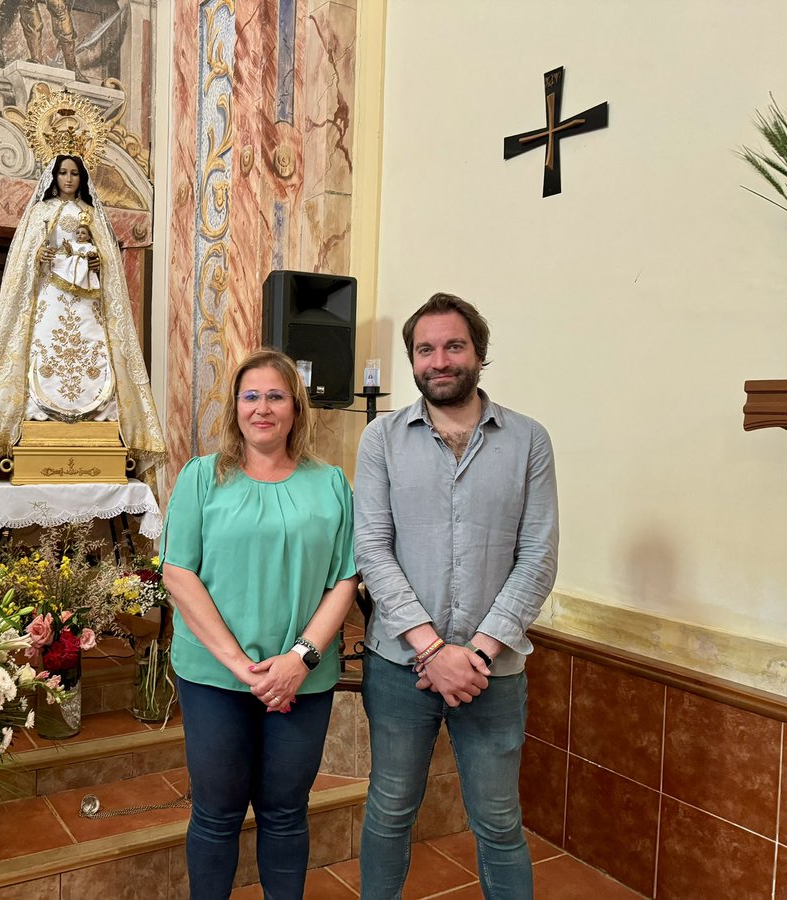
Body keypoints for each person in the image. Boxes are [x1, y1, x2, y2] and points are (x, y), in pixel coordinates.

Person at [353, 293, 559, 900]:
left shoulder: (529, 440)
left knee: (498, 822)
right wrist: (431, 649)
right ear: (412, 361)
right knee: (390, 810)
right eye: (425, 349)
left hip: (493, 670)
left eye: (453, 346)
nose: (439, 360)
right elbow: (372, 549)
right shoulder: (381, 439)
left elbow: (538, 555)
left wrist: (478, 652)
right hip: (399, 664)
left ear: (478, 353)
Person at [161, 348, 359, 899]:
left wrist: (299, 659)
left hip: (303, 678)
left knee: (286, 813)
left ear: (296, 407)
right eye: (251, 396)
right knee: (217, 815)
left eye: (276, 396)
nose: (263, 408)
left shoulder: (332, 485)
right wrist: (243, 668)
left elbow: (344, 578)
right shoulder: (203, 478)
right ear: (235, 408)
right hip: (216, 680)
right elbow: (178, 573)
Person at [0, 153, 165, 511]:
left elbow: (109, 263)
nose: (69, 179)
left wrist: (99, 260)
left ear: (82, 178)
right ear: (54, 177)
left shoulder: (93, 214)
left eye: (74, 173)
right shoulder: (40, 212)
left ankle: (97, 419)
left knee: (93, 352)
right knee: (46, 349)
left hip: (88, 299)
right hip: (52, 296)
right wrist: (37, 259)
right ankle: (42, 417)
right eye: (63, 172)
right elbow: (26, 259)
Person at [51, 214, 100, 293]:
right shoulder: (73, 243)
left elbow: (94, 252)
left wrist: (92, 254)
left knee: (83, 279)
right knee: (64, 273)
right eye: (77, 233)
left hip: (84, 265)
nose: (79, 234)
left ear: (89, 237)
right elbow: (70, 253)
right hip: (71, 264)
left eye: (83, 233)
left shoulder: (89, 245)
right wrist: (67, 247)